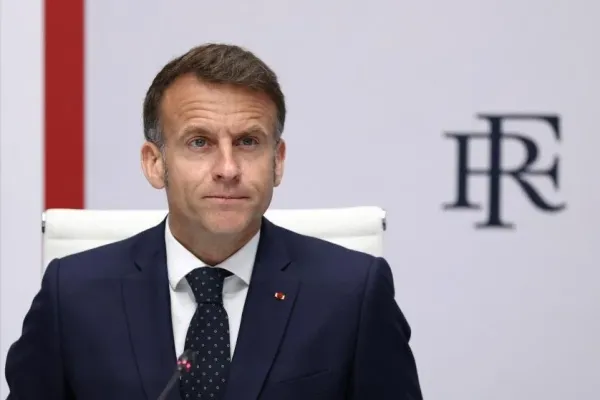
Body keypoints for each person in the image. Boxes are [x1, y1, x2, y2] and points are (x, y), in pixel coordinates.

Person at [4, 43, 423, 399]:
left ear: (277, 162)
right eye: (199, 142)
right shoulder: (72, 294)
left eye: (248, 142)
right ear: (155, 163)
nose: (227, 168)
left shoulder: (353, 293)